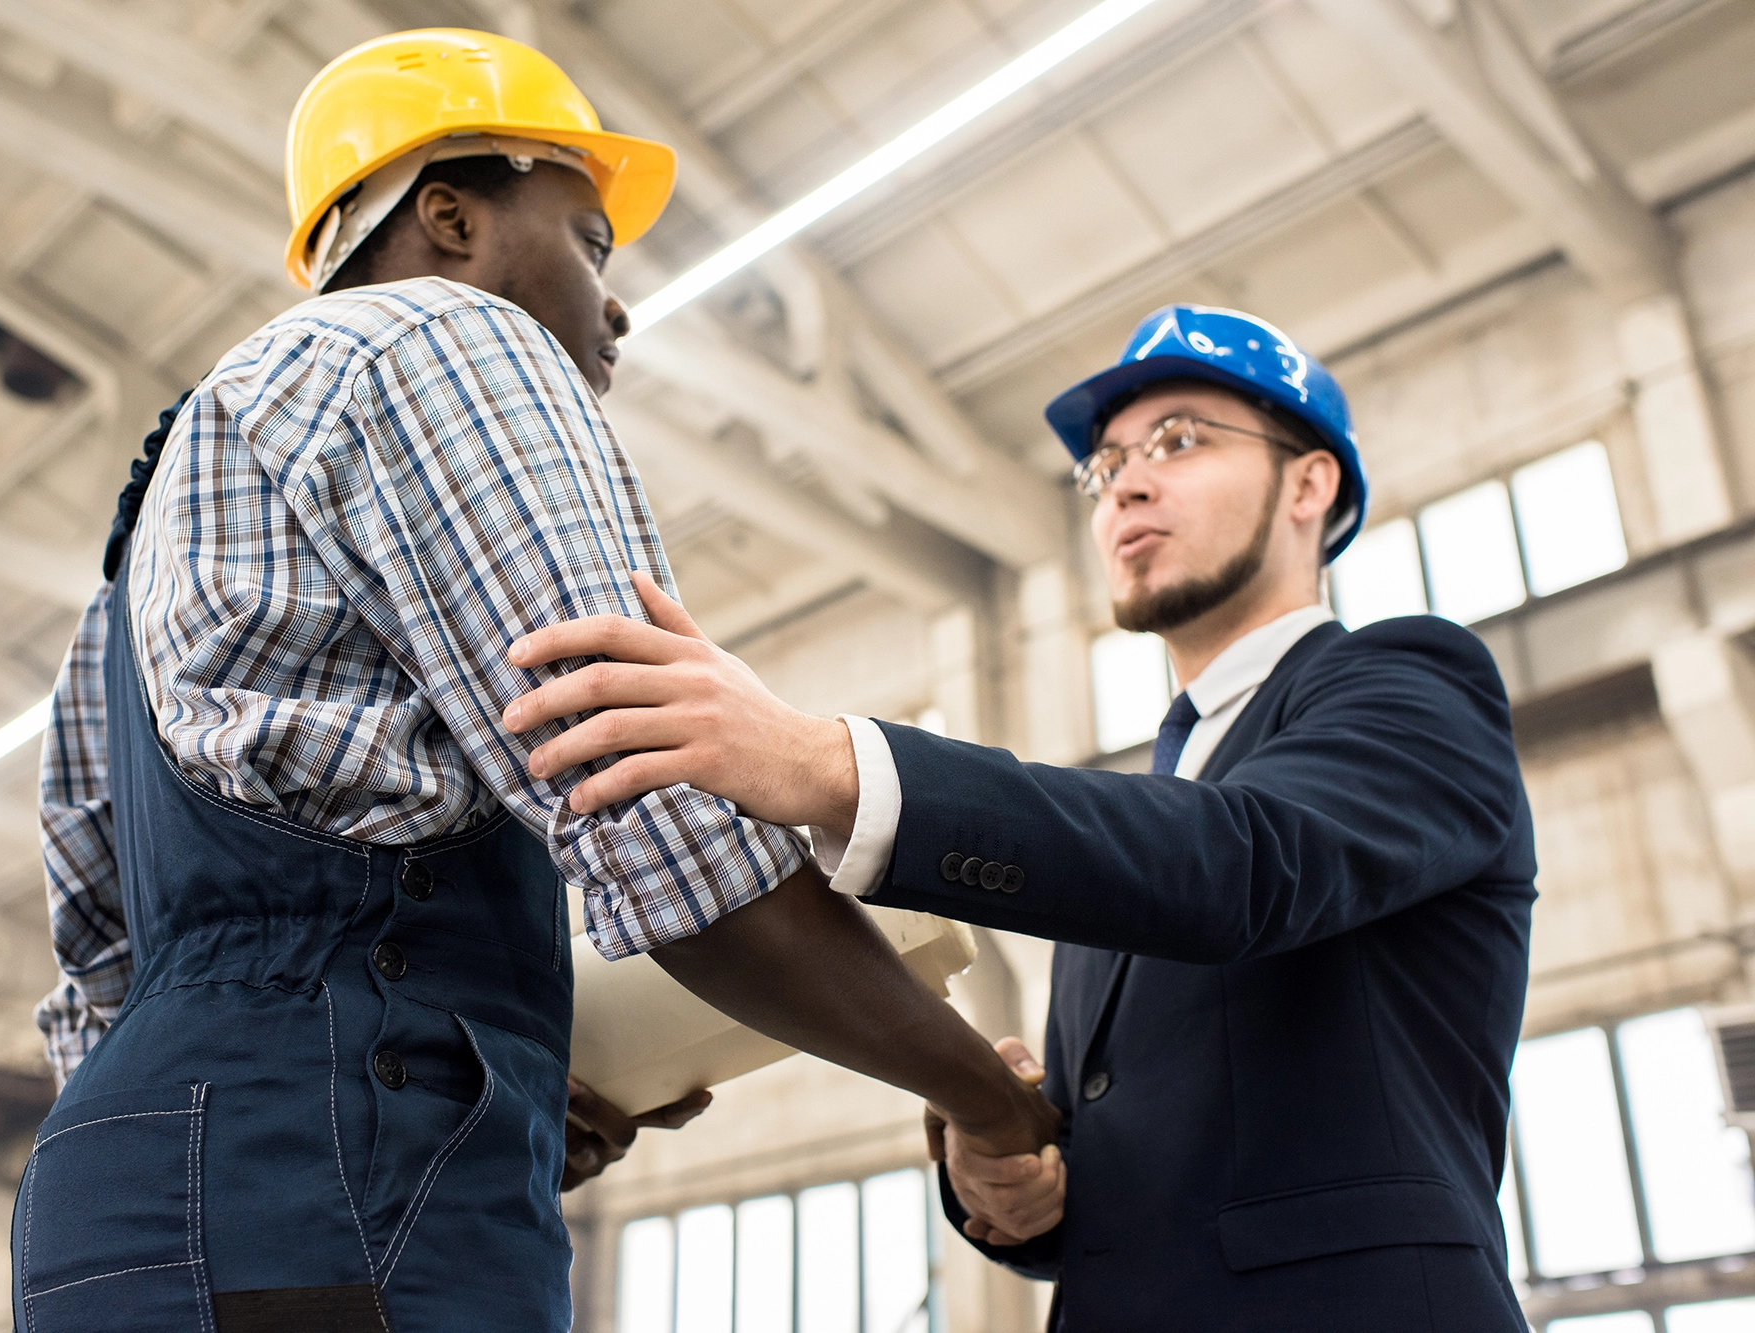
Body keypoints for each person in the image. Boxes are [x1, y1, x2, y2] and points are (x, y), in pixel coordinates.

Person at [19, 29, 1052, 1333]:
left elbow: (100, 989)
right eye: (592, 241)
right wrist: (992, 1103)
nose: (616, 305)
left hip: (120, 1208)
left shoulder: (129, 573)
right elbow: (668, 829)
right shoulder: (442, 337)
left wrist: (489, 1086)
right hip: (335, 1186)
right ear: (450, 216)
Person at [503, 304, 1537, 1331]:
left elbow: (1247, 869)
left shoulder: (1409, 681)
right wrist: (1005, 1180)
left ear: (1308, 481)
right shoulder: (1151, 813)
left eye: (1178, 440)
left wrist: (820, 762)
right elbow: (1135, 1163)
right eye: (1105, 465)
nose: (1125, 481)